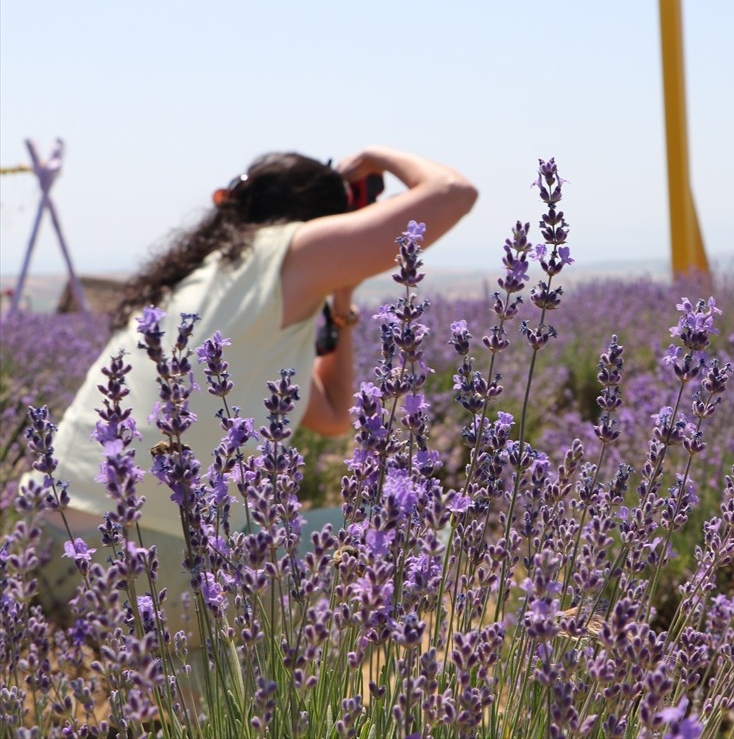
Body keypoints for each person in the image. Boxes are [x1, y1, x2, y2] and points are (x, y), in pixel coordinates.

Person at [29, 145, 476, 628]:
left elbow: (331, 415)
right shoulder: (287, 250)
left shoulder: (213, 276)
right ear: (327, 223)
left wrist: (342, 298)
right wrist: (373, 156)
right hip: (147, 563)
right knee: (420, 523)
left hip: (43, 542)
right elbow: (453, 192)